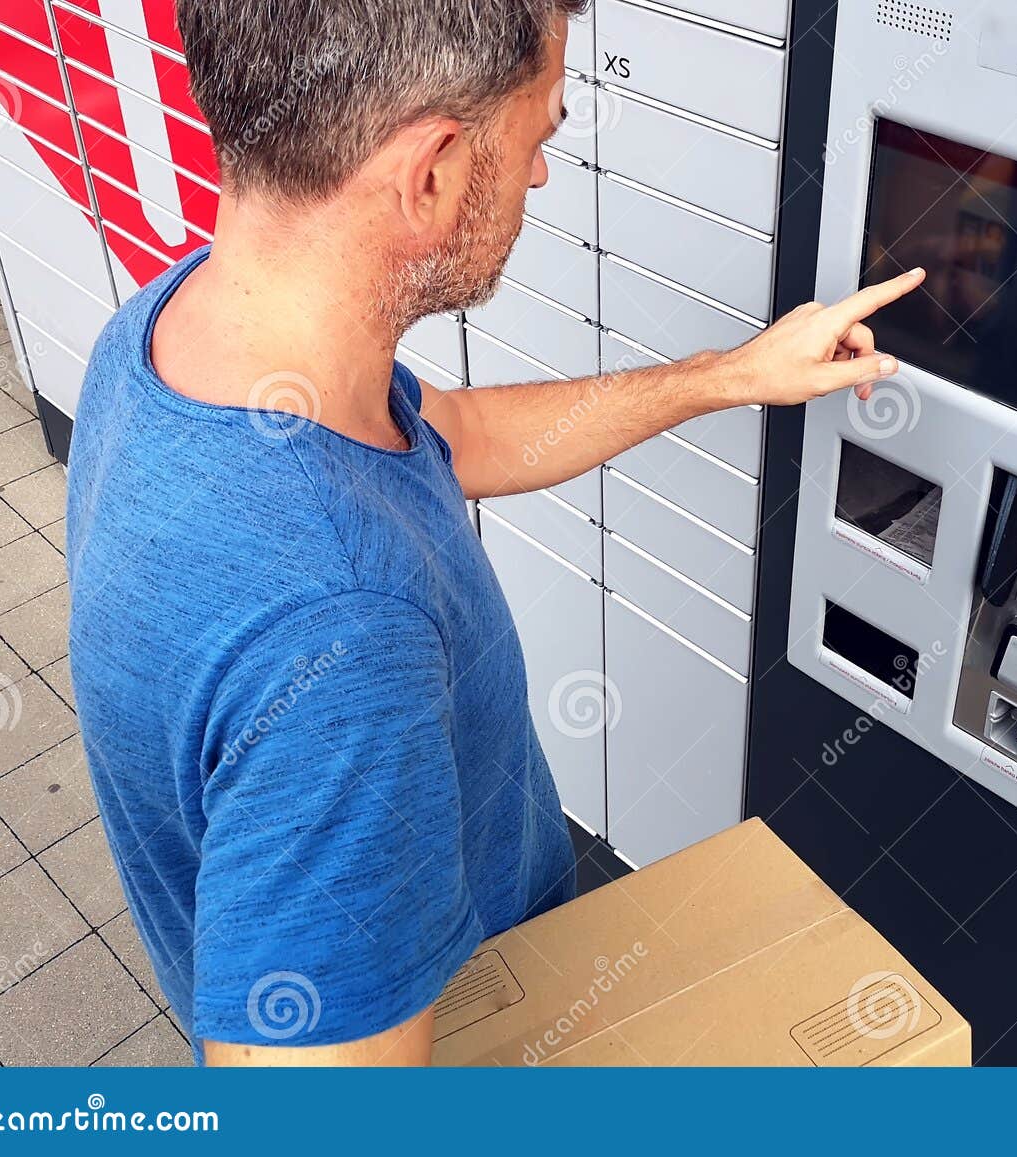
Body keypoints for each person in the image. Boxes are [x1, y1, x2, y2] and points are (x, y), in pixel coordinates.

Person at [65, 0, 924, 1066]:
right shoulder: (343, 636)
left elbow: (449, 436)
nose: (540, 176)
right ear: (428, 175)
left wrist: (729, 377)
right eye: (540, 134)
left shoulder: (170, 332)